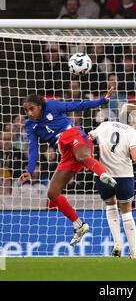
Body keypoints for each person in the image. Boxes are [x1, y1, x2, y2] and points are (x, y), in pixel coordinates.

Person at [18, 87, 116, 247]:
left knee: (82, 156)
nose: (29, 113)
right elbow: (33, 148)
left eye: (31, 109)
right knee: (52, 193)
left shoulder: (52, 106)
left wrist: (102, 101)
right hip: (64, 151)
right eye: (26, 110)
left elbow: (77, 105)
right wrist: (29, 171)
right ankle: (79, 225)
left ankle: (104, 175)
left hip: (74, 136)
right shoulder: (30, 125)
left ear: (40, 106)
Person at [88, 97, 136, 259]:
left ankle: (117, 243)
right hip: (123, 176)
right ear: (134, 118)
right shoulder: (132, 132)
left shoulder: (105, 125)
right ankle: (134, 252)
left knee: (110, 207)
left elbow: (88, 138)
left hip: (103, 175)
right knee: (127, 213)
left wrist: (89, 159)